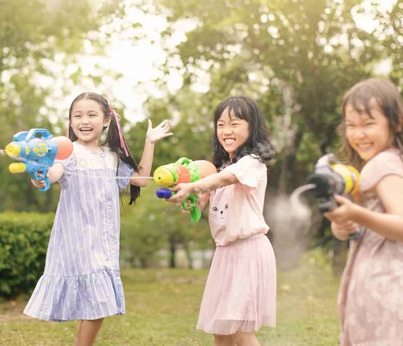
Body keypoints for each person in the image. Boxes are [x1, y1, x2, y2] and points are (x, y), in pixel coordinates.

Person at [23, 92, 172, 345]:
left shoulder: (111, 156)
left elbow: (141, 179)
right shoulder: (68, 153)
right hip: (78, 243)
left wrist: (150, 142)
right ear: (70, 122)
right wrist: (39, 174)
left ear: (106, 120)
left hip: (103, 243)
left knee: (93, 307)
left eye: (91, 115)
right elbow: (51, 174)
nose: (84, 120)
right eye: (77, 116)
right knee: (98, 305)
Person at [323, 78, 403, 346]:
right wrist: (343, 223)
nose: (358, 134)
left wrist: (355, 214)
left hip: (390, 290)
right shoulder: (386, 164)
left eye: (368, 124)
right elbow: (355, 231)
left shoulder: (384, 164)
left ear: (396, 122)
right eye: (351, 126)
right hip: (402, 287)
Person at [167, 96, 276, 346]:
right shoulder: (222, 166)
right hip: (225, 253)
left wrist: (193, 186)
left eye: (235, 124)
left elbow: (224, 180)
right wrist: (193, 199)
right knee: (221, 330)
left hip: (248, 251)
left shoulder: (252, 163)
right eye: (221, 125)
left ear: (252, 128)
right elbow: (211, 195)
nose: (226, 131)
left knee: (239, 330)